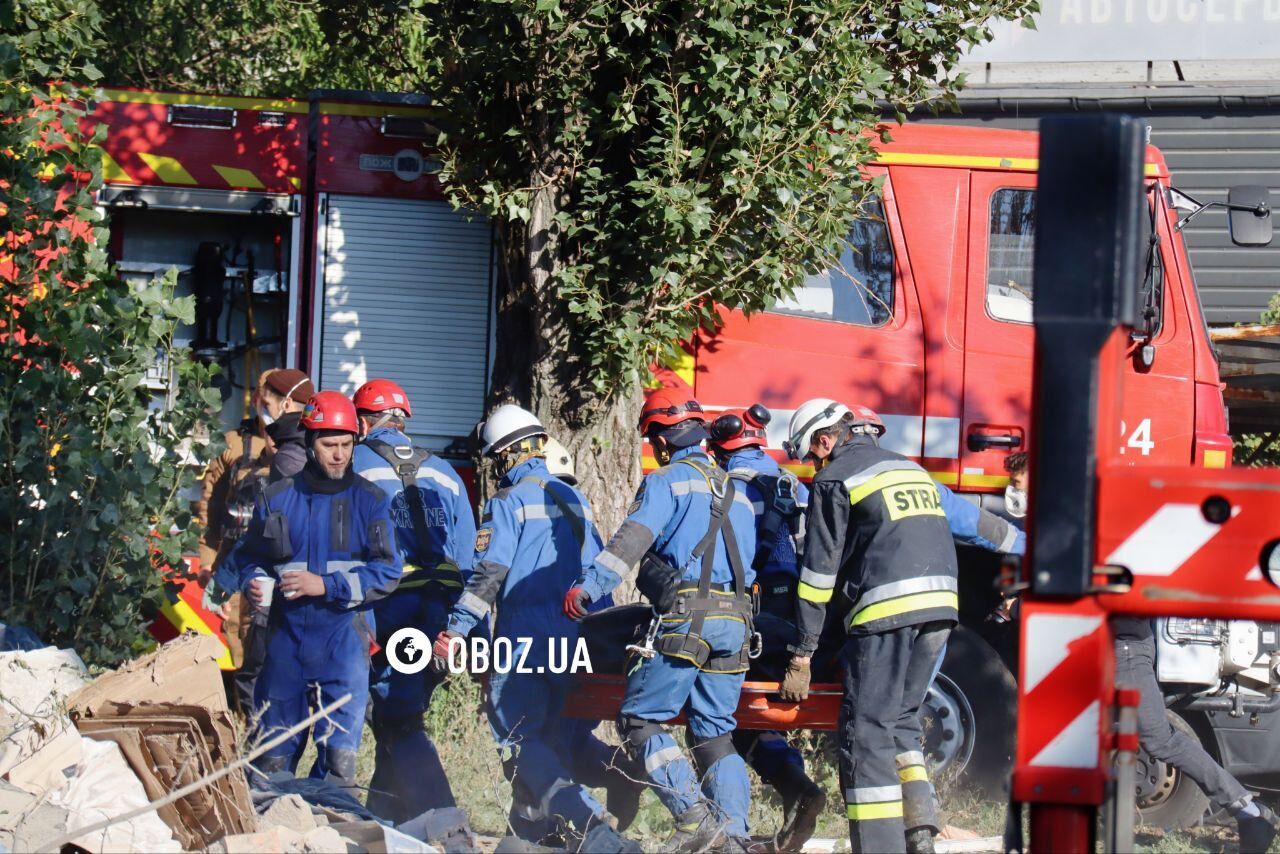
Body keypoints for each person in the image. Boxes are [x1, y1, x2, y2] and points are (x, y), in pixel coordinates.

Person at [564, 388, 762, 853]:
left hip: (686, 620)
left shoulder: (667, 481)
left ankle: (694, 818)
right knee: (715, 732)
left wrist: (588, 586)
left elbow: (631, 542)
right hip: (737, 624)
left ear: (661, 440)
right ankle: (734, 837)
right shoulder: (737, 491)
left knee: (639, 720)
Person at [433, 405, 638, 852]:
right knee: (550, 741)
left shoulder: (508, 502)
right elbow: (596, 572)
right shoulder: (576, 500)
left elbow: (489, 573)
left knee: (520, 742)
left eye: (495, 458)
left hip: (524, 641)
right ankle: (532, 840)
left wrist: (456, 630)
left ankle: (593, 830)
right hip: (573, 641)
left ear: (506, 454)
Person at [777, 398, 959, 854]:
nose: (813, 466)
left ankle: (879, 847)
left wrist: (803, 652)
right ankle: (919, 831)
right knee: (901, 721)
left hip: (886, 612)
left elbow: (818, 575)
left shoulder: (835, 478)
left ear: (825, 440)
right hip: (941, 608)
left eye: (812, 456)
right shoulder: (910, 469)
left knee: (866, 732)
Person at [230, 390, 401, 795]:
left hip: (344, 645)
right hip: (285, 646)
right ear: (309, 444)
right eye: (329, 446)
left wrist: (326, 585)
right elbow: (249, 556)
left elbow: (388, 571)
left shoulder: (371, 501)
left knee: (338, 774)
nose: (339, 455)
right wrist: (253, 580)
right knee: (270, 769)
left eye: (346, 445)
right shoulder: (276, 498)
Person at [351, 379, 477, 823]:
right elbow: (468, 556)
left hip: (388, 607)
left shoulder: (353, 464)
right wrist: (464, 627)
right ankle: (387, 823)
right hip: (440, 610)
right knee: (397, 714)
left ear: (362, 422)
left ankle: (444, 822)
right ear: (403, 420)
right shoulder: (443, 470)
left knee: (398, 718)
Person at [707, 405, 826, 853]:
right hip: (798, 618)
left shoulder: (727, 487)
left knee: (723, 714)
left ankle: (784, 791)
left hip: (751, 617)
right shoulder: (794, 485)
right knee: (749, 712)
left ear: (721, 449)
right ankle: (795, 787)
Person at [196, 369, 277, 715]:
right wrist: (206, 562)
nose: (271, 410)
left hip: (277, 572)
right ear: (256, 400)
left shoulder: (300, 447)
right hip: (235, 569)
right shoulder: (232, 445)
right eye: (266, 402)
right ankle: (248, 728)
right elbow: (211, 508)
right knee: (242, 655)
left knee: (273, 656)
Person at [260, 368, 314, 481]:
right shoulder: (312, 437)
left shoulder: (288, 459)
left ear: (286, 404)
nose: (262, 410)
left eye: (266, 404)